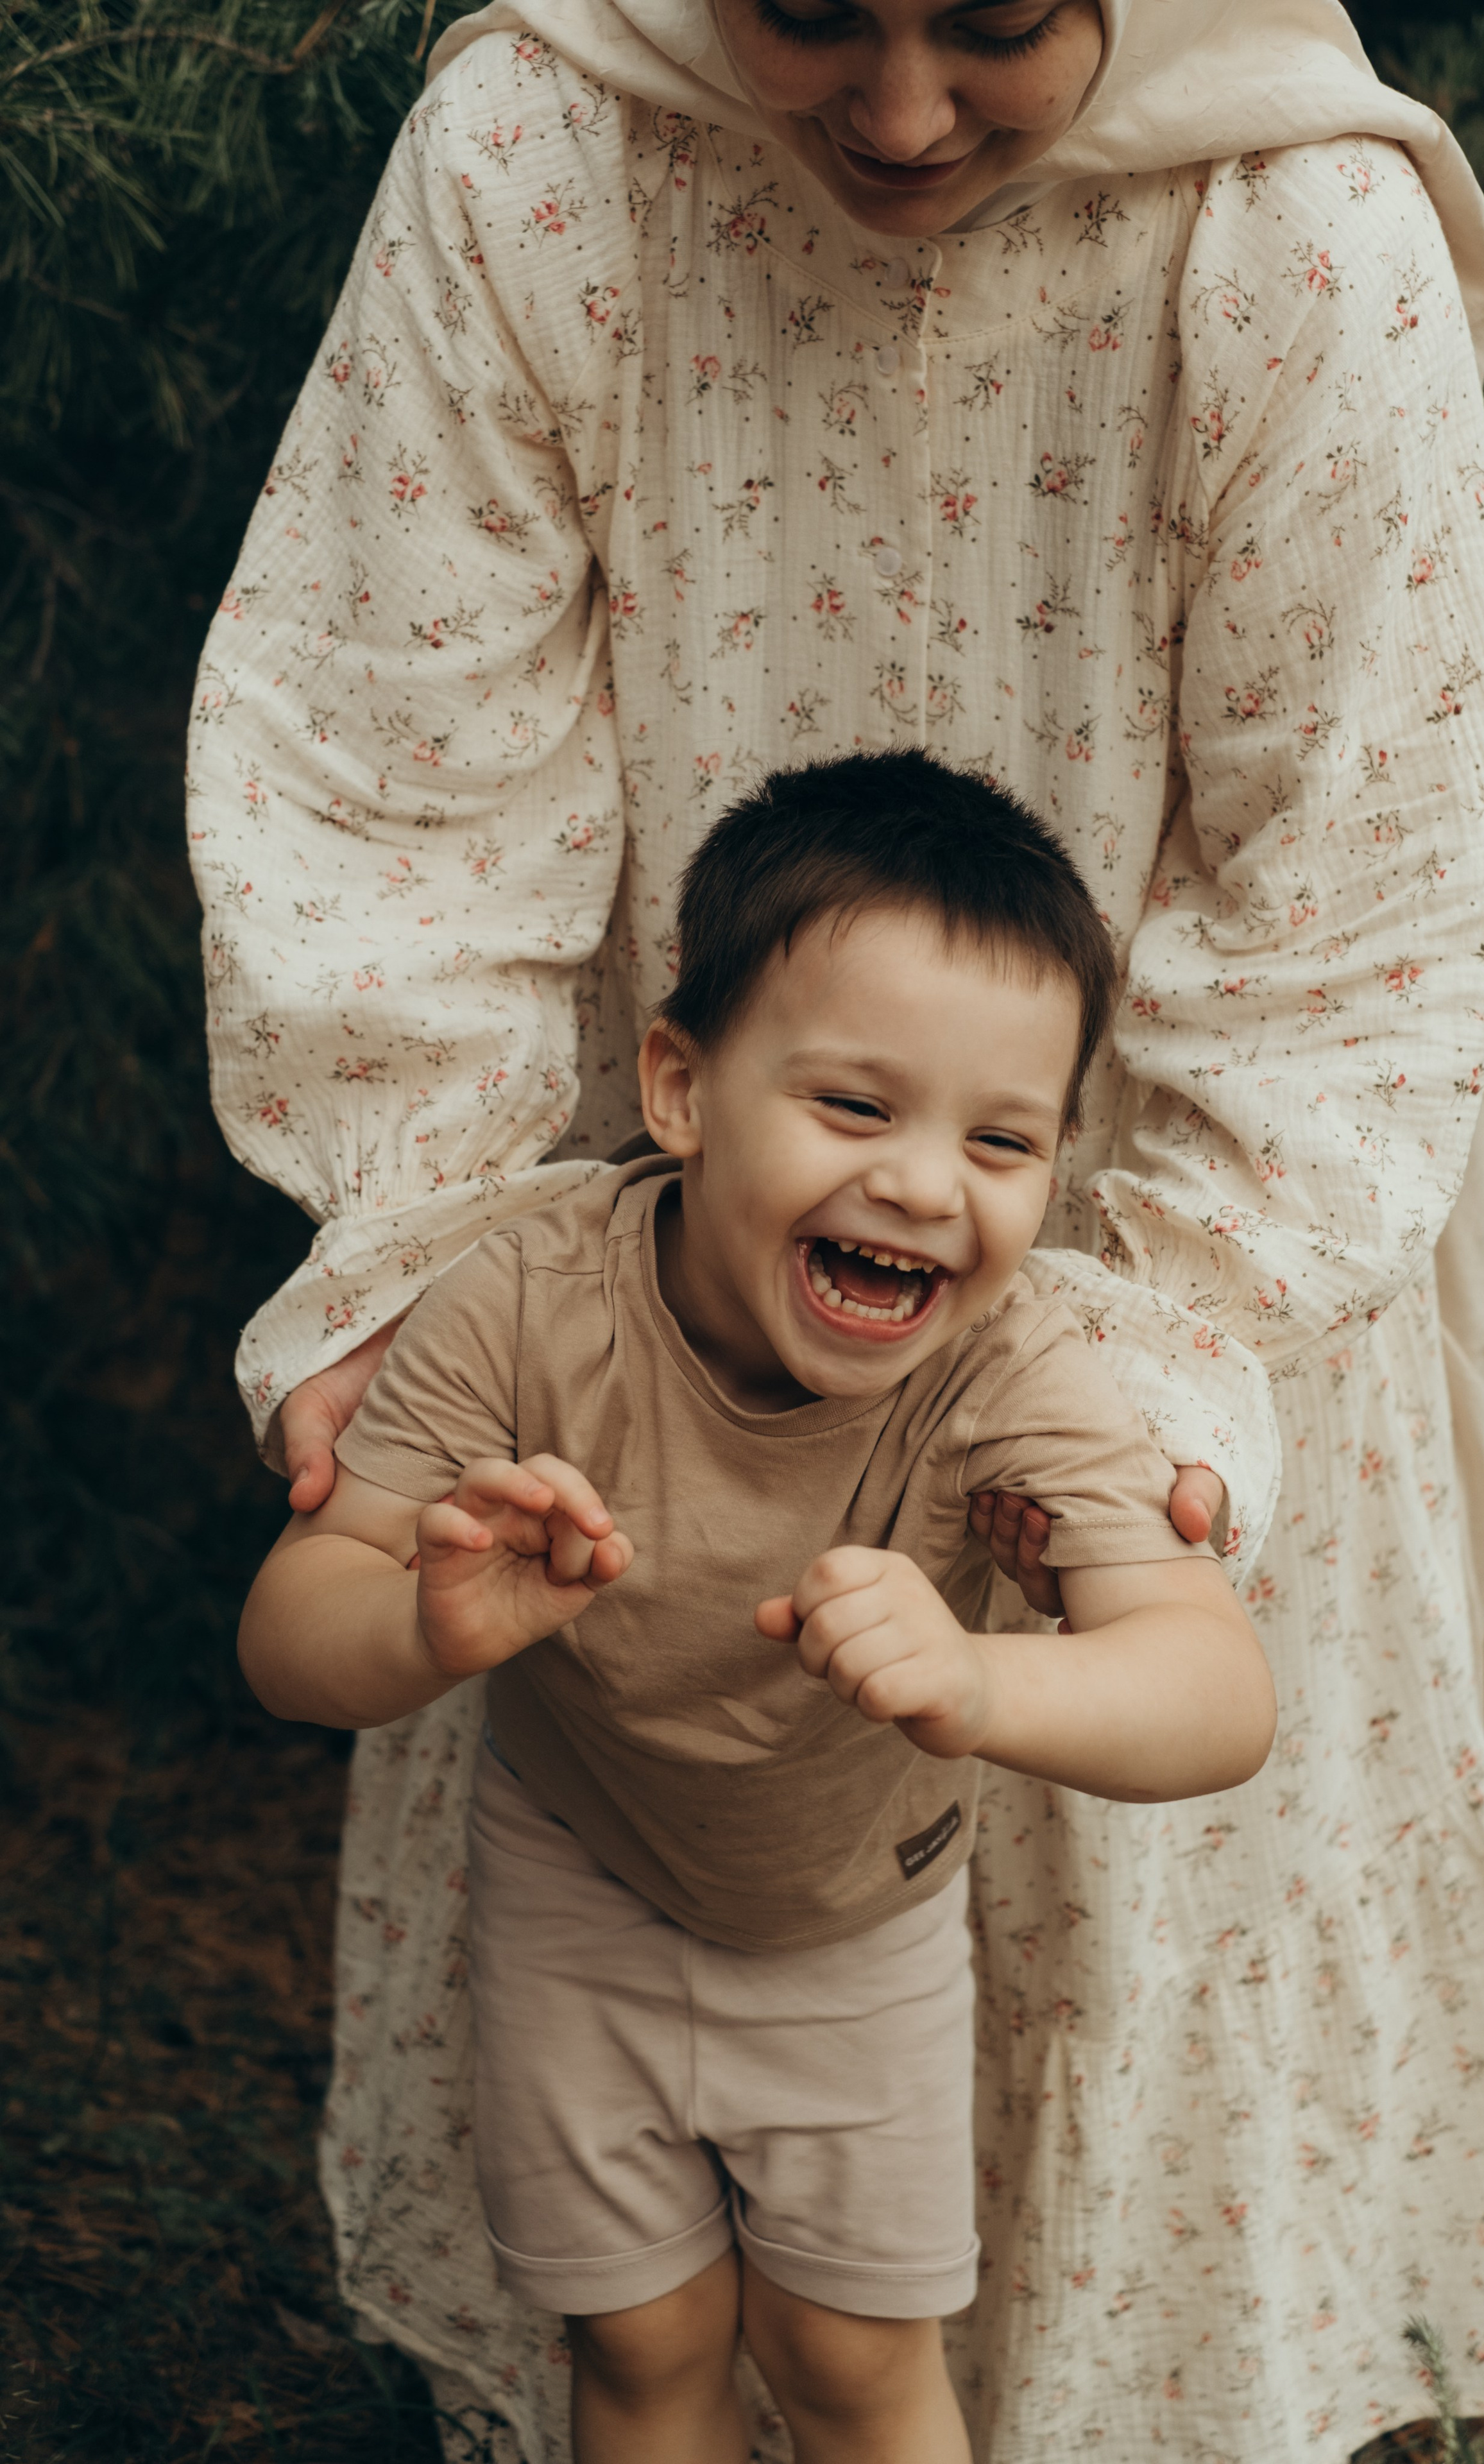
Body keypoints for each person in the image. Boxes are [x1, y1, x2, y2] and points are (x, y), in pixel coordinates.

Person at [187, 0, 1484, 2452]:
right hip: (670, 1268)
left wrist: (1118, 1400)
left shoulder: (1295, 238)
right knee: (658, 2264)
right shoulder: (547, 151)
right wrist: (439, 1275)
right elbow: (388, 775)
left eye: (1004, 21)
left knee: (1025, 2067)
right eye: (811, 9)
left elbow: (1354, 920)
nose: (903, 112)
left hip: (1137, 1244)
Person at [238, 755, 1276, 2461]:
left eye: (1002, 1139)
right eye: (857, 1108)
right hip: (578, 1889)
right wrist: (423, 1627)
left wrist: (979, 1690)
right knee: (641, 2348)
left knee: (853, 2361)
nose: (930, 1186)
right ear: (681, 1087)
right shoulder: (523, 1300)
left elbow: (1216, 1692)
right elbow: (290, 1635)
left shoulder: (1009, 1366)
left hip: (854, 1927)